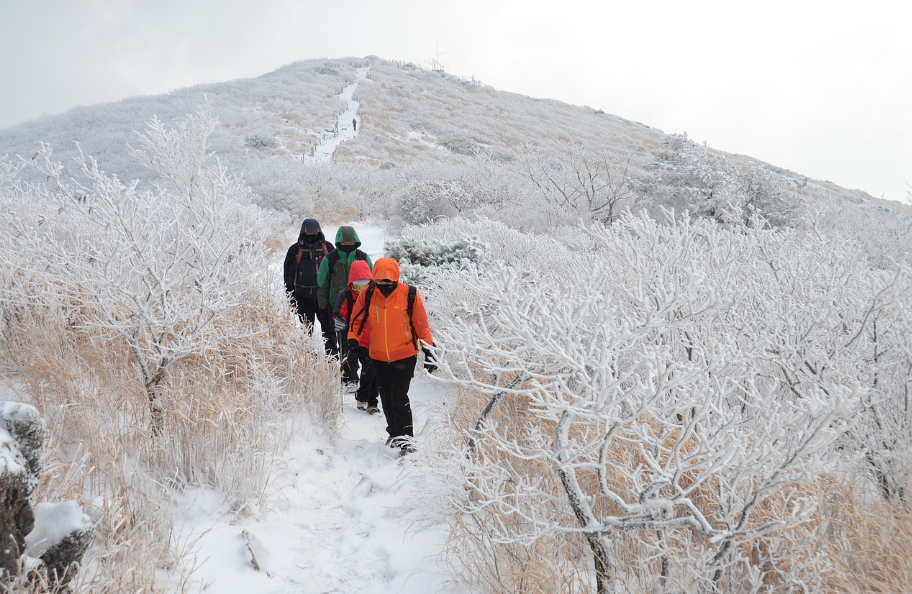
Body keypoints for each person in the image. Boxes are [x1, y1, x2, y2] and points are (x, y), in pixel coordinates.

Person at [347, 258, 435, 456]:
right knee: (386, 396)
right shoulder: (369, 294)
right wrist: (352, 340)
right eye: (380, 282)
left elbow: (422, 325)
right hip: (378, 355)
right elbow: (356, 319)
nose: (384, 286)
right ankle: (394, 433)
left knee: (398, 396)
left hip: (405, 355)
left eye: (388, 282)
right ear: (374, 279)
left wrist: (429, 350)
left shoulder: (409, 294)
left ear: (396, 278)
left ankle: (407, 439)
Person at [318, 226, 372, 382]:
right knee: (343, 342)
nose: (348, 244)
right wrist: (323, 307)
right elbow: (323, 284)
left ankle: (364, 376)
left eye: (350, 241)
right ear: (338, 242)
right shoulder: (330, 259)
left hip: (362, 309)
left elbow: (372, 282)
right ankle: (349, 376)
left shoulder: (363, 257)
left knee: (360, 343)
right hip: (338, 309)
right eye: (344, 242)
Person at [283, 219, 337, 356]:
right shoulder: (295, 250)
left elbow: (335, 273)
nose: (311, 234)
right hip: (303, 298)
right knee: (306, 330)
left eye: (314, 232)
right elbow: (288, 276)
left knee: (329, 330)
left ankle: (332, 359)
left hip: (323, 298)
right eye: (309, 232)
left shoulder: (328, 248)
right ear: (303, 232)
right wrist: (291, 296)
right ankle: (307, 359)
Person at [333, 260, 379, 413]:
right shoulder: (345, 295)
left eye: (364, 285)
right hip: (353, 338)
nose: (361, 289)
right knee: (361, 366)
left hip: (372, 339)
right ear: (351, 283)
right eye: (357, 285)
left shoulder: (375, 295)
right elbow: (339, 312)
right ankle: (360, 393)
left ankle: (370, 401)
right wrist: (339, 321)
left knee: (371, 369)